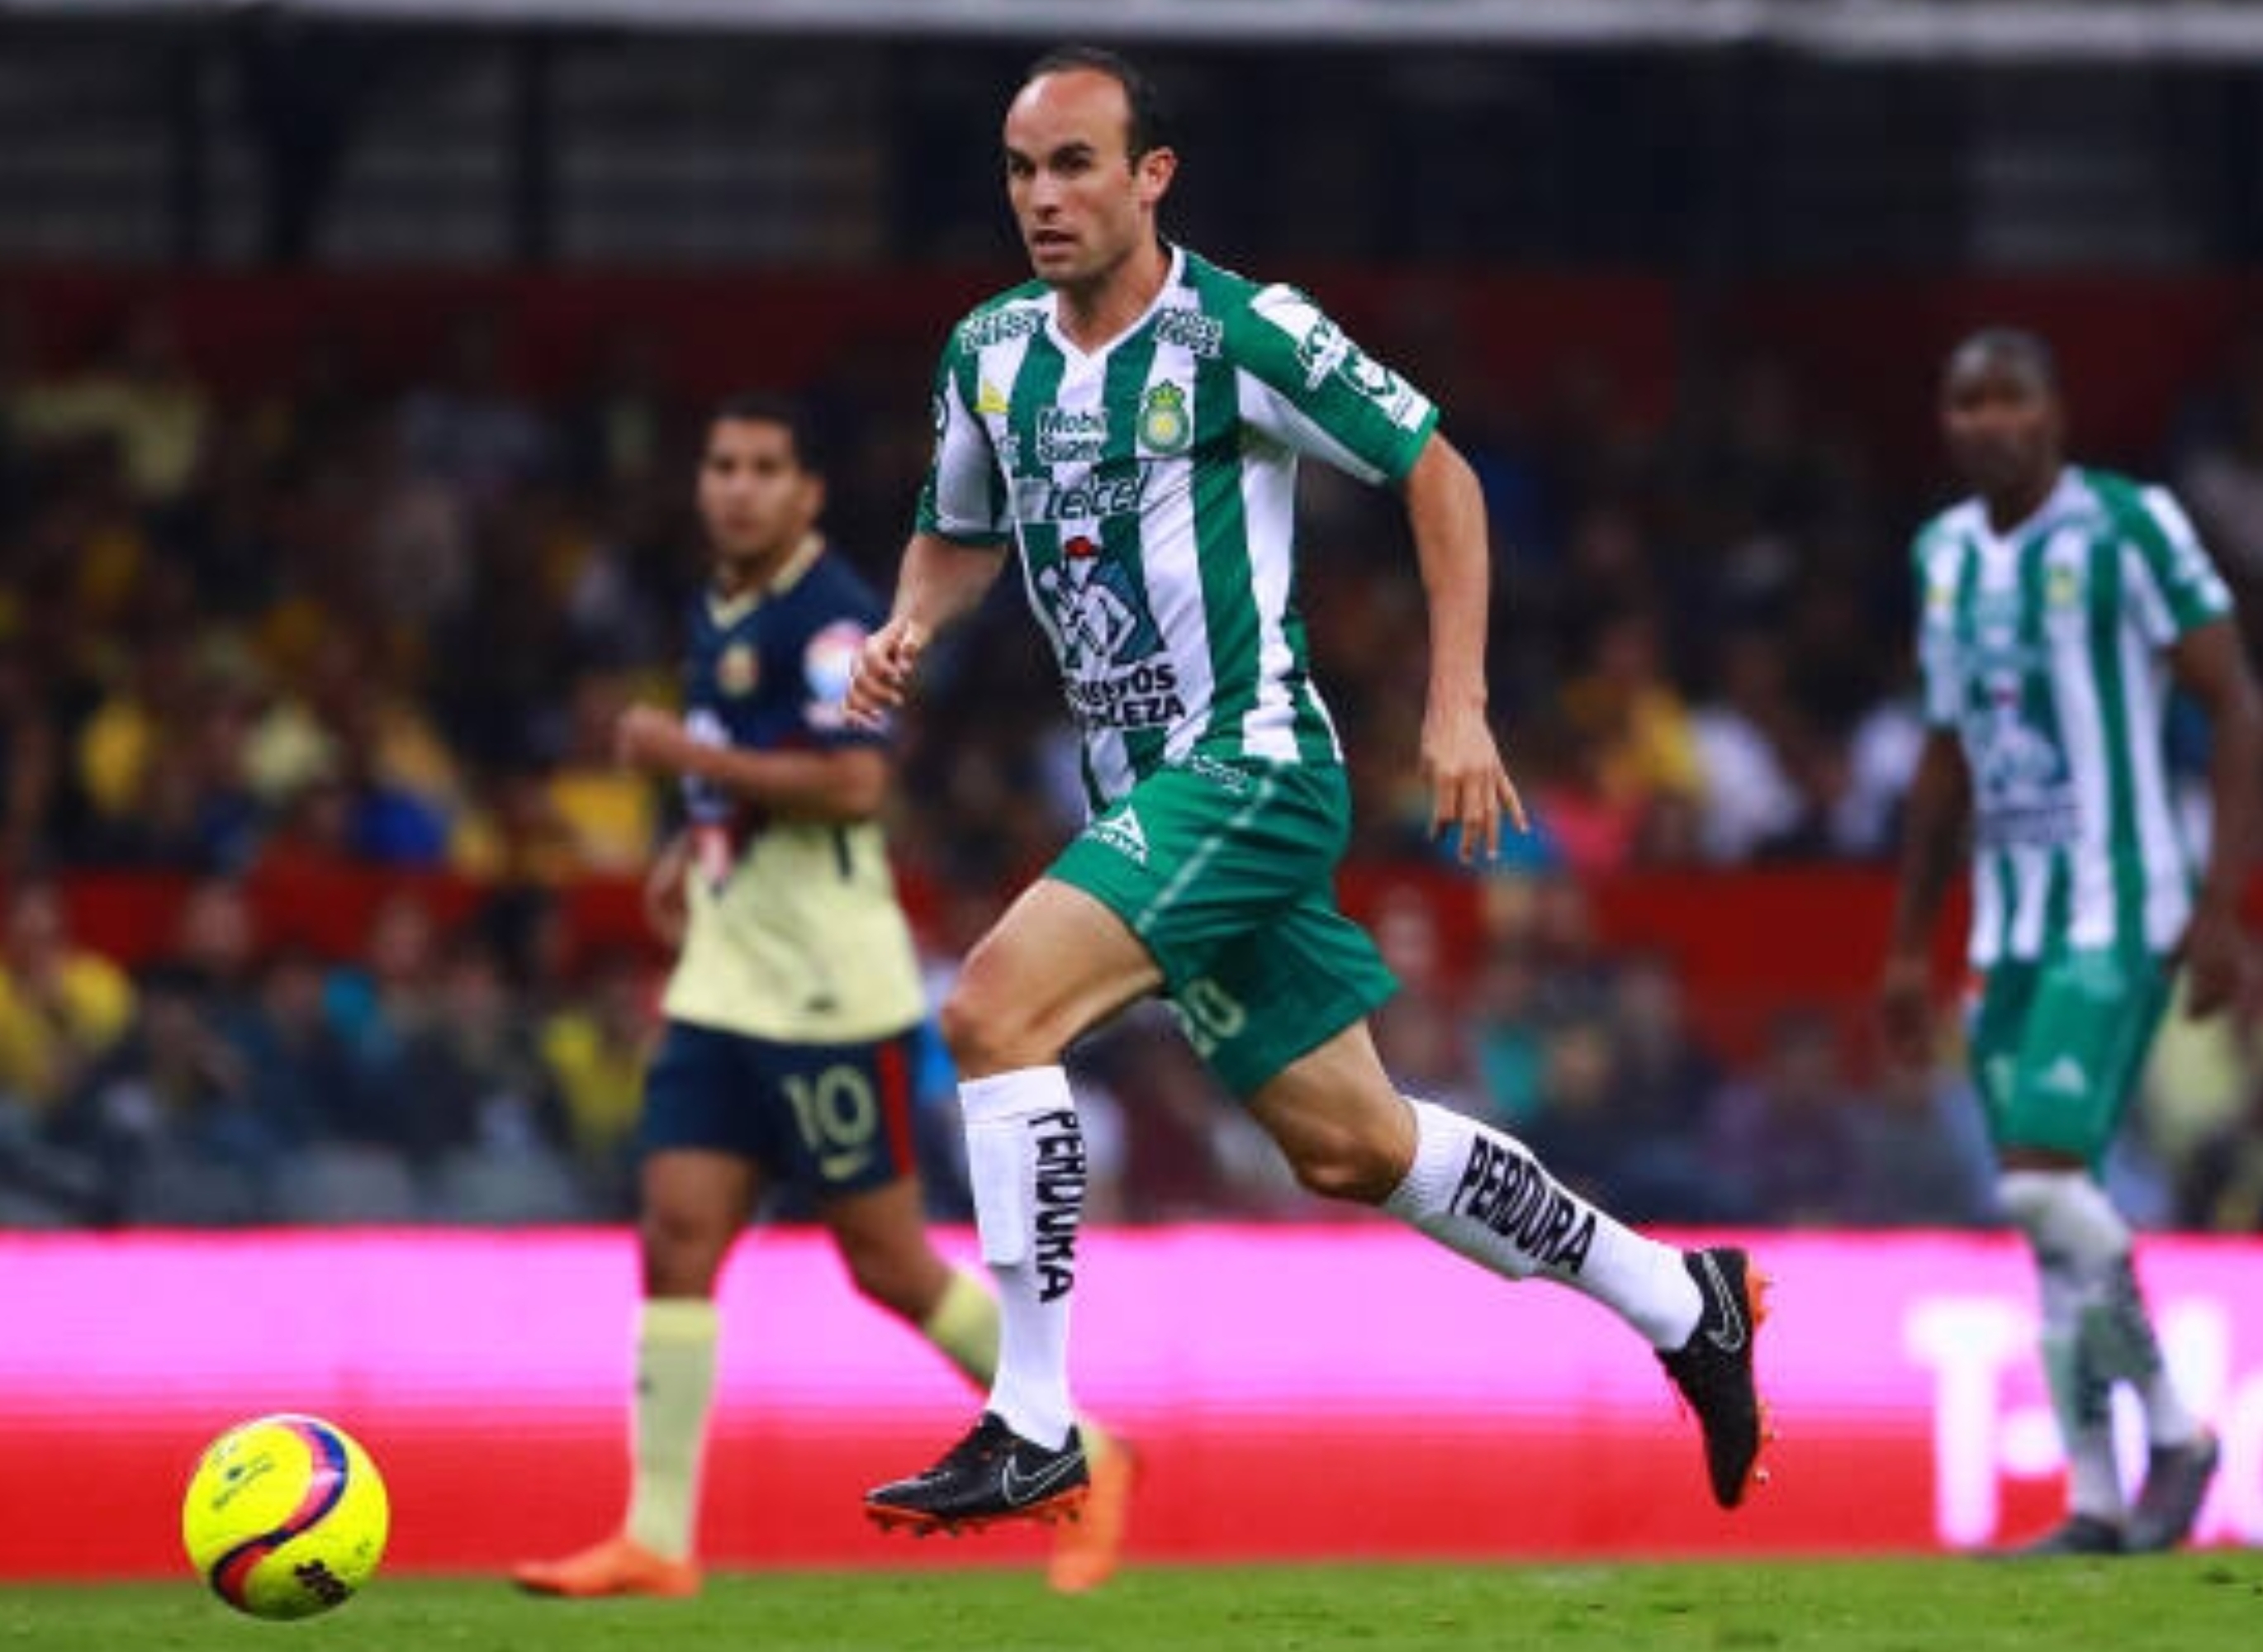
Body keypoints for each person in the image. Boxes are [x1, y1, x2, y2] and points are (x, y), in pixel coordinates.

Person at [844, 45, 1769, 1539]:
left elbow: (1438, 470)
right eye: (1021, 171)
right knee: (1355, 1145)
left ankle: (1032, 1422)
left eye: (1076, 164)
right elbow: (959, 529)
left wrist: (1456, 699)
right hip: (1141, 796)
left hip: (1251, 769)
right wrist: (908, 625)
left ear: (1154, 175)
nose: (1043, 198)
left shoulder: (1241, 332)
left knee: (991, 1011)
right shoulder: (988, 353)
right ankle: (1681, 1299)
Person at [513, 393, 1137, 1599]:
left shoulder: (834, 618)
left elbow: (853, 785)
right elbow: (753, 778)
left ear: (805, 495)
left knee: (889, 1262)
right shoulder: (722, 608)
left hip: (826, 996)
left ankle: (1087, 1450)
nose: (737, 486)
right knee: (678, 1236)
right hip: (725, 982)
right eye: (722, 465)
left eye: (764, 469)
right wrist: (688, 847)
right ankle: (654, 1536)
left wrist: (687, 763)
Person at [1881, 328, 2263, 1555]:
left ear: (2055, 410)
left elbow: (2235, 701)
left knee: (2042, 1179)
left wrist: (2220, 908)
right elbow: (1943, 763)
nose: (1988, 419)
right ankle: (2095, 1500)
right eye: (1965, 400)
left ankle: (2179, 1430)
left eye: (2011, 397)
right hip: (2009, 922)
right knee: (2053, 1211)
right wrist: (1903, 948)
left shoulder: (2129, 526)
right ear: (1944, 420)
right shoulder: (1941, 556)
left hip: (2123, 901)